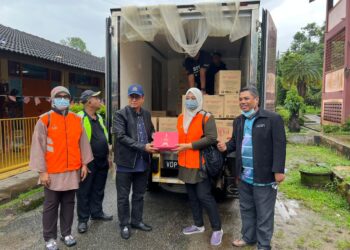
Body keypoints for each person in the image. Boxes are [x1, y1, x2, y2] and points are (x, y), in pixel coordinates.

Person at [217, 86, 286, 250]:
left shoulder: (272, 119)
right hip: (244, 175)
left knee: (264, 213)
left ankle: (263, 245)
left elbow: (280, 145)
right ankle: (249, 237)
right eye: (240, 99)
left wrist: (279, 170)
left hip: (264, 176)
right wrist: (225, 146)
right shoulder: (239, 120)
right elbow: (235, 142)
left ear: (257, 100)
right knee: (246, 209)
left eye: (246, 98)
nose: (243, 102)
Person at [29, 86, 93, 250]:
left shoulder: (76, 119)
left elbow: (83, 142)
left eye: (66, 96)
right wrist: (42, 172)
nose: (63, 99)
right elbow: (38, 147)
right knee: (51, 205)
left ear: (70, 100)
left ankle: (66, 233)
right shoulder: (44, 120)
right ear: (52, 99)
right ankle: (49, 237)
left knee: (69, 203)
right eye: (59, 96)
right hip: (52, 172)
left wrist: (84, 164)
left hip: (72, 170)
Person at [174, 87, 223, 246]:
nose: (189, 101)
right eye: (187, 98)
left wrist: (189, 146)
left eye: (193, 97)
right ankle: (198, 225)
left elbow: (211, 138)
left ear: (199, 99)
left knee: (204, 196)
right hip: (185, 163)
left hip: (200, 164)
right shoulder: (181, 117)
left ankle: (217, 229)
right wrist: (162, 142)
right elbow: (178, 138)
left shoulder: (207, 117)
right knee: (192, 196)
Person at [111, 83, 157, 240]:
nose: (134, 99)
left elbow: (151, 132)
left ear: (143, 98)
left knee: (139, 194)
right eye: (131, 96)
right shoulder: (120, 114)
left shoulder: (146, 114)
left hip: (142, 163)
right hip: (125, 162)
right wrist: (143, 147)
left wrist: (160, 140)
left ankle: (137, 221)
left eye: (137, 97)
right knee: (123, 197)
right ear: (128, 97)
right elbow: (121, 137)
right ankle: (124, 224)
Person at [76, 90, 113, 234]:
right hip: (88, 161)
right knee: (84, 191)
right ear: (89, 102)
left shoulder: (98, 117)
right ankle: (83, 220)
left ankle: (96, 212)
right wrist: (82, 162)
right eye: (96, 98)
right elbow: (76, 141)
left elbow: (103, 137)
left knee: (99, 188)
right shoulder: (79, 117)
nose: (99, 100)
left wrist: (108, 156)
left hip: (101, 159)